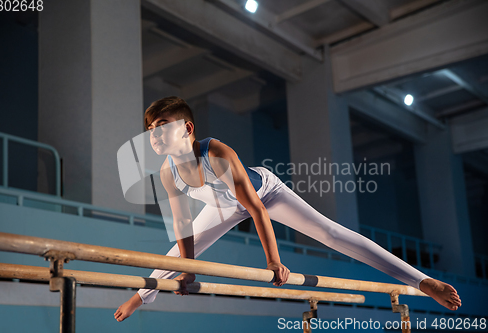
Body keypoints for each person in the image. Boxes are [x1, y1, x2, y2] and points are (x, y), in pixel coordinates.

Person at [114, 96, 461, 322]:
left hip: (265, 194)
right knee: (175, 252)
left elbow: (257, 210)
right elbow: (182, 223)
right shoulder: (166, 172)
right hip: (225, 208)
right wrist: (187, 270)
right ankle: (141, 297)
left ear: (187, 129)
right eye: (149, 130)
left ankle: (422, 281)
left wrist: (273, 262)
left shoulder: (217, 153)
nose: (153, 136)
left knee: (331, 233)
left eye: (161, 127)